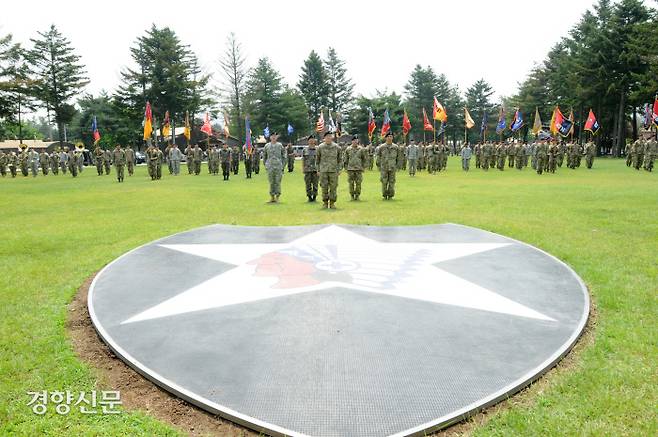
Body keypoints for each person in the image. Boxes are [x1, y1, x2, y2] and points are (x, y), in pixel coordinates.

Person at [316, 132, 342, 209]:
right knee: (324, 187)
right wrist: (318, 170)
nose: (328, 138)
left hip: (334, 171)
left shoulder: (337, 147)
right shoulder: (320, 147)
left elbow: (340, 160)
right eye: (327, 137)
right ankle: (325, 202)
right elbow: (317, 160)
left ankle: (332, 203)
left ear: (332, 138)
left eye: (330, 137)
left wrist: (339, 169)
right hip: (323, 171)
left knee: (333, 187)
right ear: (324, 138)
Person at [376, 132, 401, 200]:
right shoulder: (381, 147)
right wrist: (378, 164)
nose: (390, 138)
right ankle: (384, 195)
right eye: (388, 136)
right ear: (386, 138)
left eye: (391, 136)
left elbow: (399, 157)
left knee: (392, 181)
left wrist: (398, 166)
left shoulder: (396, 147)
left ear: (392, 138)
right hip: (384, 167)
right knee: (384, 181)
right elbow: (378, 156)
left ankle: (390, 195)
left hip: (392, 167)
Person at [263, 132, 286, 203]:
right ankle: (272, 197)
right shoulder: (267, 146)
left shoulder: (279, 145)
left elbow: (284, 155)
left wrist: (283, 165)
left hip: (278, 166)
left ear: (276, 137)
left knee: (278, 182)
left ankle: (277, 197)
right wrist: (266, 165)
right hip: (270, 167)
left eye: (275, 136)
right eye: (272, 136)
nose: (273, 137)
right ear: (270, 137)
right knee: (271, 182)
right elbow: (264, 156)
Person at [343, 135, 367, 201]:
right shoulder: (348, 149)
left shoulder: (361, 149)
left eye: (356, 140)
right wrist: (345, 168)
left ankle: (357, 195)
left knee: (358, 183)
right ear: (352, 141)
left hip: (359, 169)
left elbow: (364, 159)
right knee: (351, 183)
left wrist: (364, 167)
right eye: (354, 140)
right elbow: (345, 159)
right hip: (350, 169)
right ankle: (352, 195)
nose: (355, 142)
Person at [302, 135, 319, 202]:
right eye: (310, 140)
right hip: (307, 169)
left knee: (315, 184)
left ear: (315, 141)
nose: (312, 141)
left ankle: (314, 197)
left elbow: (320, 159)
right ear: (308, 141)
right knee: (308, 184)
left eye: (313, 140)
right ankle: (309, 197)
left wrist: (319, 169)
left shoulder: (318, 149)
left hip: (316, 169)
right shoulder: (305, 149)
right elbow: (303, 159)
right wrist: (303, 168)